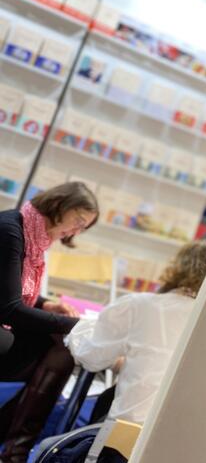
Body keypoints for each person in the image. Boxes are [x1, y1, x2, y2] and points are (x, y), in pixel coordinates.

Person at [65, 239, 206, 424]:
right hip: (186, 426)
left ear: (178, 267)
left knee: (106, 403)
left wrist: (79, 329)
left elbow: (91, 357)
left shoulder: (143, 305)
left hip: (132, 422)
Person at [0, 182, 99, 462]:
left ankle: (15, 448)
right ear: (59, 205)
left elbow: (8, 289)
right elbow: (9, 309)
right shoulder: (11, 231)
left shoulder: (29, 232)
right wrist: (74, 325)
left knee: (58, 346)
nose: (76, 232)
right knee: (60, 346)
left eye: (83, 228)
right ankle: (15, 450)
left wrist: (45, 304)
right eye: (78, 222)